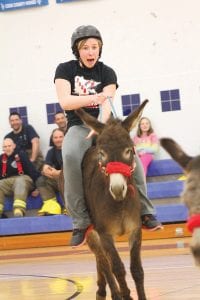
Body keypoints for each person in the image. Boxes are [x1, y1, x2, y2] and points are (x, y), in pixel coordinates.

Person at [54, 25, 162, 247]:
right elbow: (66, 102)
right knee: (71, 156)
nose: (91, 52)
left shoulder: (107, 72)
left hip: (106, 125)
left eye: (95, 47)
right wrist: (97, 96)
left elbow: (108, 103)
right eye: (86, 48)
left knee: (132, 156)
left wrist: (100, 125)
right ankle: (80, 221)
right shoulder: (64, 70)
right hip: (79, 126)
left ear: (100, 49)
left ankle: (145, 212)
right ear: (77, 50)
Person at [0, 138, 40, 218]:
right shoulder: (1, 158)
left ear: (14, 146)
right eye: (5, 147)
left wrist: (37, 188)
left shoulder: (21, 155)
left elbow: (32, 171)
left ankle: (19, 210)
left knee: (20, 181)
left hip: (24, 179)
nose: (7, 148)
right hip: (8, 183)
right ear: (2, 148)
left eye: (9, 146)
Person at [36, 128, 66, 215]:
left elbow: (73, 169)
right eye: (55, 137)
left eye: (61, 137)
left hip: (69, 179)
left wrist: (59, 173)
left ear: (65, 137)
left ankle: (69, 207)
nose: (58, 139)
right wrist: (46, 170)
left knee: (69, 179)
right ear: (52, 139)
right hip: (58, 179)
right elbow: (46, 166)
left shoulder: (70, 149)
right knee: (41, 180)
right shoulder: (51, 151)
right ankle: (52, 207)